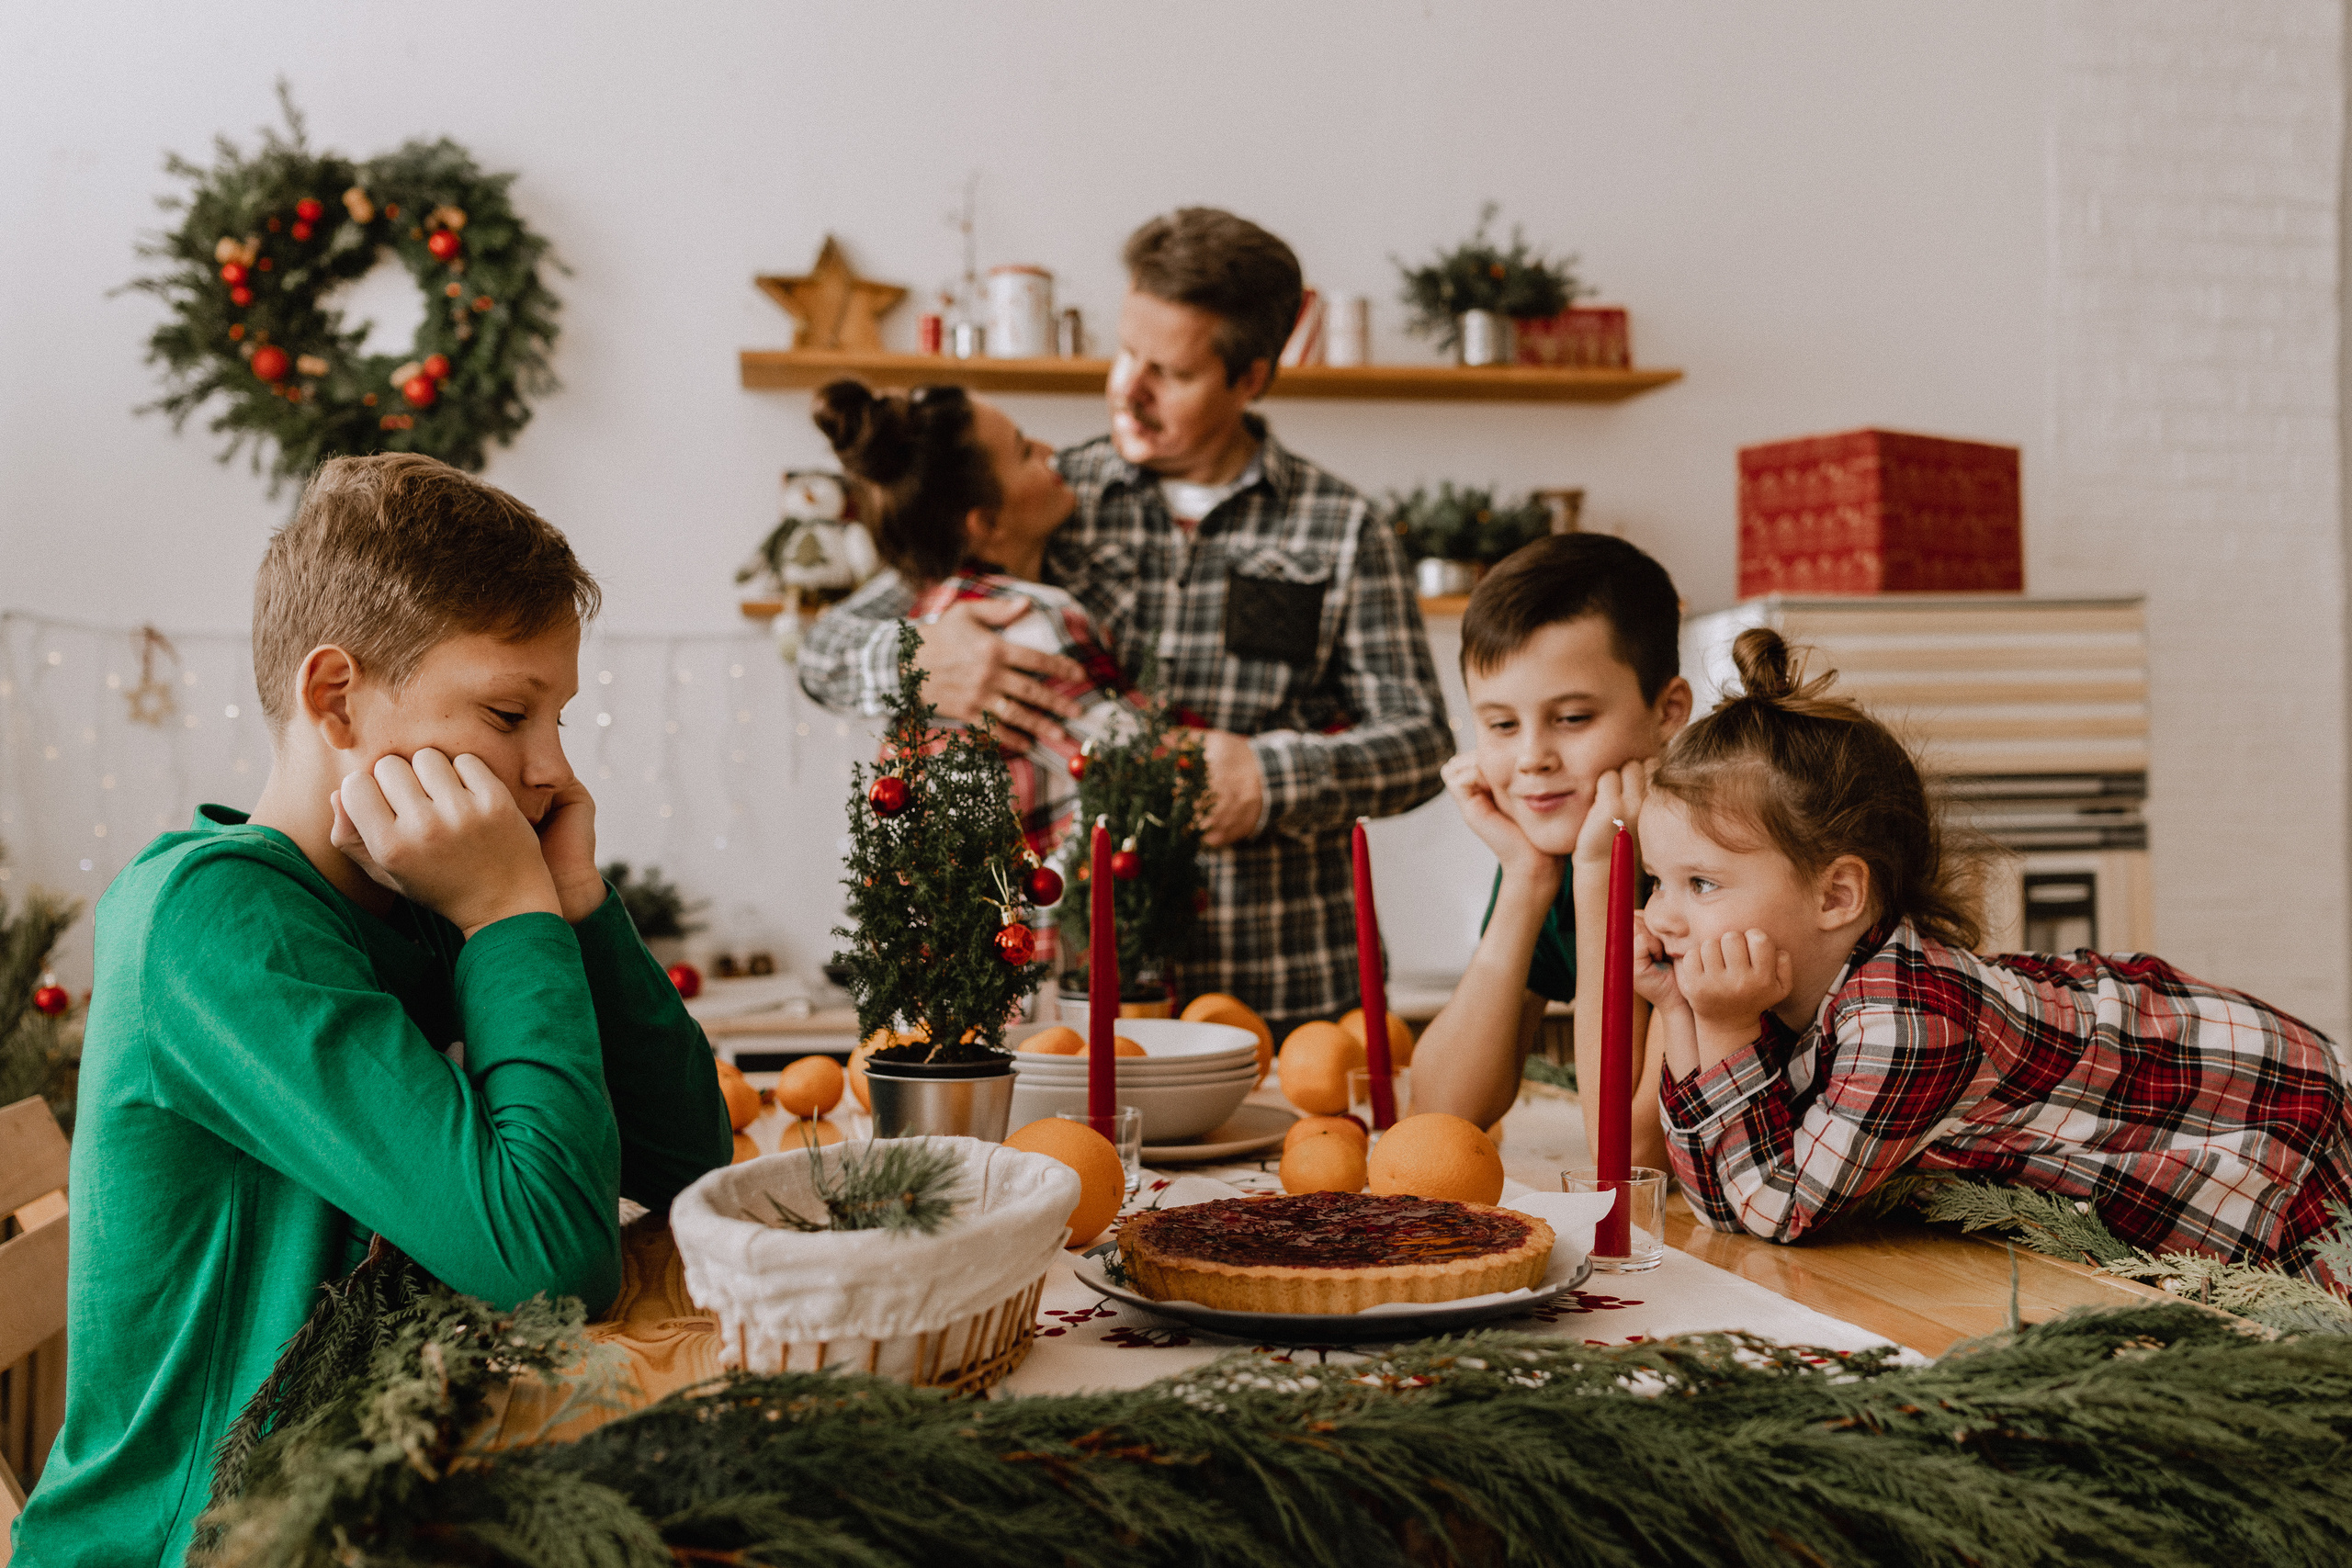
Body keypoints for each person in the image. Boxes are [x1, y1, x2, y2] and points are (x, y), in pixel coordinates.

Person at [11, 456, 733, 1567]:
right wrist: (505, 913)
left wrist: (575, 909)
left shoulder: (424, 905)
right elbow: (553, 1266)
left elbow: (689, 1162)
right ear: (336, 697)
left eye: (557, 717)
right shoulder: (209, 919)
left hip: (390, 1490)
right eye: (508, 712)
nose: (553, 768)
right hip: (203, 1541)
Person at [798, 209, 1450, 1033]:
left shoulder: (1341, 526)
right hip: (1077, 1002)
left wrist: (1271, 775)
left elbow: (1423, 741)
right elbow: (823, 649)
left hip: (1284, 1003)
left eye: (1168, 372)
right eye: (1125, 352)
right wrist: (922, 659)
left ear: (1250, 377)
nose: (1126, 389)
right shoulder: (1043, 496)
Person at [1634, 626, 2352, 1276]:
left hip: (2267, 1104)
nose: (1661, 912)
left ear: (1835, 897)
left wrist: (1720, 1027)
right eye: (1656, 880)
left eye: (1700, 882)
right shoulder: (1793, 991)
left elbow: (1777, 1211)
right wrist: (1682, 1009)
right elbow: (1720, 1198)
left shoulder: (1906, 1020)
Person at [1410, 536, 1690, 1170]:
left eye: (1570, 717)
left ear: (1668, 710)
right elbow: (1438, 1115)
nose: (1533, 756)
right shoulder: (1554, 853)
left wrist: (1599, 876)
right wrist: (1525, 876)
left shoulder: (1710, 868)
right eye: (1503, 725)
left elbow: (1627, 1152)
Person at [811, 378, 1136, 851]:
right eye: (1026, 451)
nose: (1053, 452)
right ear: (985, 523)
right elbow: (1142, 766)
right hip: (1029, 916)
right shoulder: (1025, 620)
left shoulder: (933, 603)